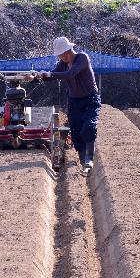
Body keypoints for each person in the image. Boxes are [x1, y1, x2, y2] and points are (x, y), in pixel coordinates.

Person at [35, 36, 100, 175]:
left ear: (67, 51)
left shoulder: (82, 58)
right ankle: (83, 161)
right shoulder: (63, 64)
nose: (60, 57)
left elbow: (70, 74)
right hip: (74, 102)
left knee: (89, 127)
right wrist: (36, 77)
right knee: (76, 133)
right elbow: (54, 75)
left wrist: (49, 73)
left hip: (90, 100)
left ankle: (89, 160)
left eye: (61, 54)